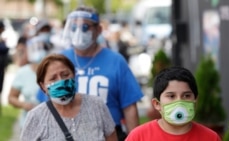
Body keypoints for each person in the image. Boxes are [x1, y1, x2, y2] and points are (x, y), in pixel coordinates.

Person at [61, 5, 144, 140]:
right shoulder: (60, 61)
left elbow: (129, 107)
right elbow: (45, 104)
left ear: (98, 30)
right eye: (73, 27)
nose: (78, 32)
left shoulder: (116, 61)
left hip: (108, 134)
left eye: (85, 27)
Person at [20, 54, 117, 141]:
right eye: (53, 78)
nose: (61, 81)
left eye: (65, 75)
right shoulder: (36, 117)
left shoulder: (96, 105)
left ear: (74, 75)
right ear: (43, 86)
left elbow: (111, 137)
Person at [125, 66, 221, 141]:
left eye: (186, 96)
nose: (179, 102)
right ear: (157, 104)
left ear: (195, 100)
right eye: (171, 96)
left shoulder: (211, 138)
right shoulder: (139, 137)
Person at [8, 33, 50, 128]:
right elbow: (11, 98)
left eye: (42, 48)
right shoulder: (23, 72)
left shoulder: (54, 72)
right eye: (35, 48)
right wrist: (25, 105)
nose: (39, 51)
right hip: (28, 125)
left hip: (51, 125)